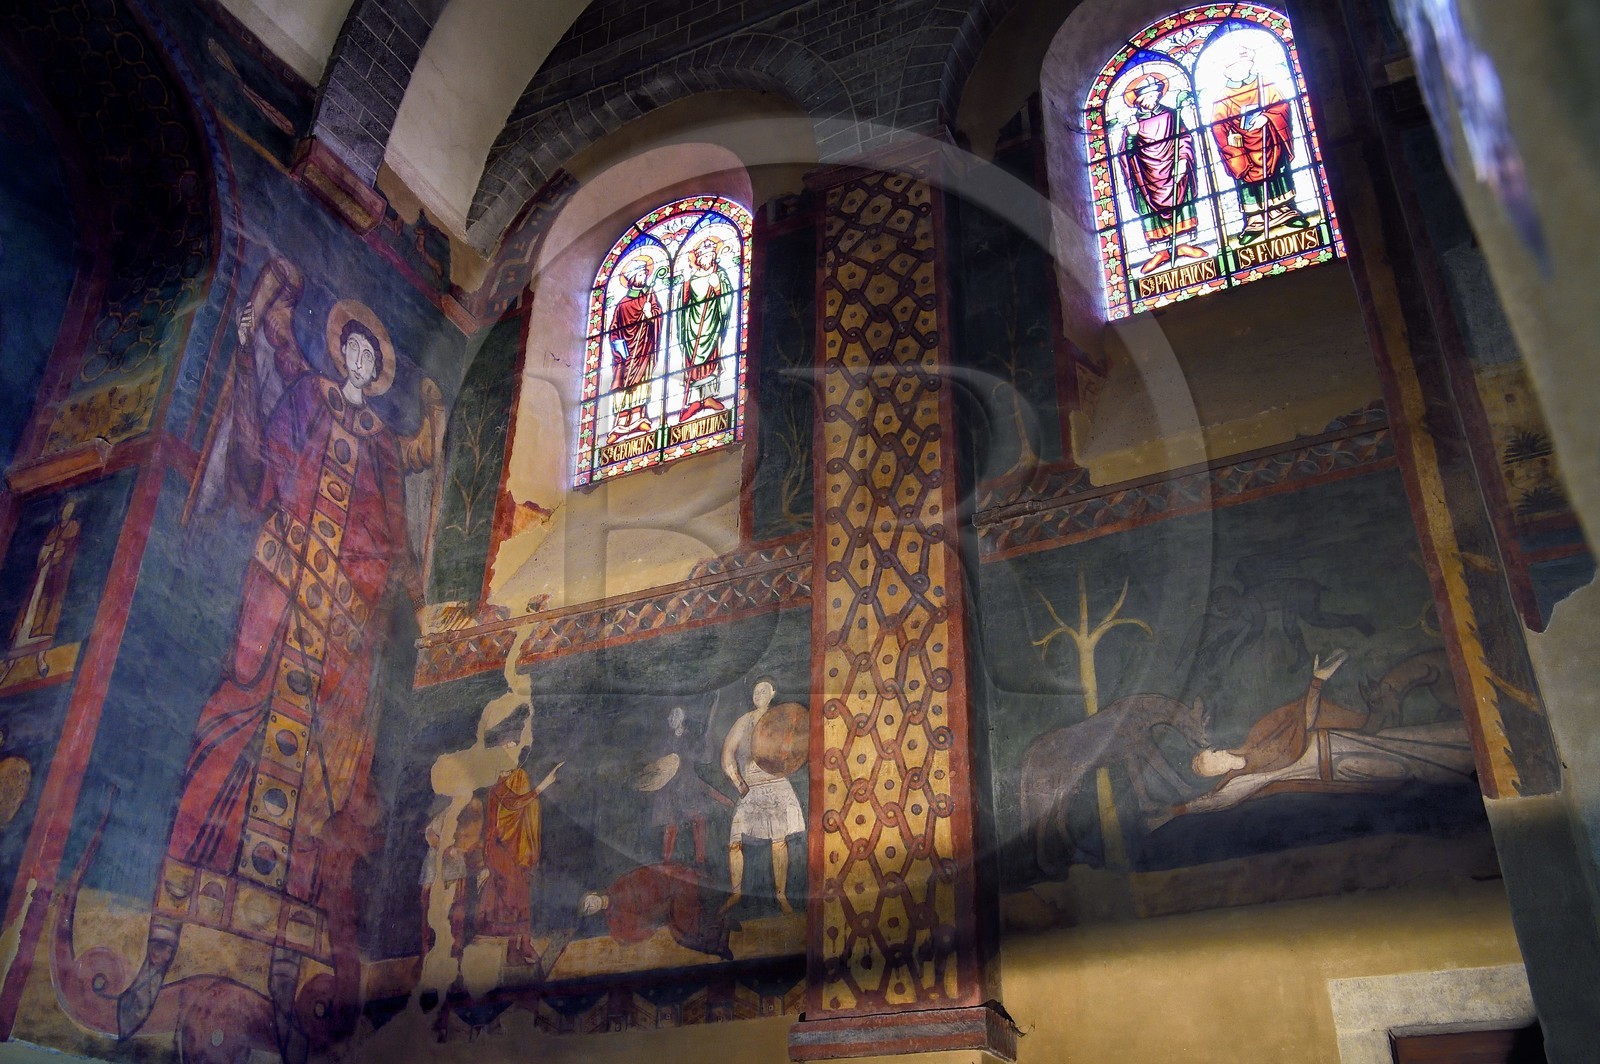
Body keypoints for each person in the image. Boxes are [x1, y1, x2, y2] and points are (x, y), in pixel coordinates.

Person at [118, 257, 442, 1064]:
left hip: (335, 631)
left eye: (373, 358)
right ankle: (164, 947)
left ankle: (289, 946)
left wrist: (360, 585)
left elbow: (389, 545)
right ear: (341, 355)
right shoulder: (307, 395)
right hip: (279, 600)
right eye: (354, 352)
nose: (361, 365)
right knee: (228, 729)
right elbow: (269, 427)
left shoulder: (378, 446)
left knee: (327, 789)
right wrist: (266, 314)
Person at [1166, 650, 1475, 822]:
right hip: (1340, 765)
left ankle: (1467, 741)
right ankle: (1466, 773)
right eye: (1214, 765)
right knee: (1407, 768)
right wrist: (1179, 810)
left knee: (1403, 742)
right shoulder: (1246, 779)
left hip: (1336, 740)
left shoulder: (1258, 736)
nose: (1219, 758)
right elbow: (1218, 801)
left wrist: (1316, 682)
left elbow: (1306, 719)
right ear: (1216, 774)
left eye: (1214, 754)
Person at [1208, 41, 1310, 245]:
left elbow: (1282, 107)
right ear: (1227, 71)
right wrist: (1230, 140)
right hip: (1242, 149)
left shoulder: (1265, 84)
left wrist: (1267, 117)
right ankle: (1254, 220)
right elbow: (1217, 126)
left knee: (1278, 175)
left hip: (1270, 140)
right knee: (1248, 180)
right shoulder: (1222, 97)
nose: (1240, 69)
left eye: (1244, 65)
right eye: (1235, 66)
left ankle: (1286, 211)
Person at [719, 678, 804, 914]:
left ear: (773, 692)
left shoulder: (783, 718)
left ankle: (781, 896)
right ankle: (736, 893)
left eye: (764, 689)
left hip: (777, 785)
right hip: (751, 787)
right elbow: (727, 756)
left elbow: (797, 749)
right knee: (735, 840)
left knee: (779, 842)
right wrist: (739, 784)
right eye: (756, 690)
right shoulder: (744, 722)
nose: (760, 693)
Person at [1118, 71, 1208, 274]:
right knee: (1150, 207)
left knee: (1181, 199)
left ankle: (1183, 245)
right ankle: (1161, 252)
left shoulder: (1171, 115)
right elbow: (1125, 154)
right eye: (1146, 96)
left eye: (1153, 95)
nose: (1151, 99)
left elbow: (1184, 139)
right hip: (1147, 176)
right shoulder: (1132, 125)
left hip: (1173, 169)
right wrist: (1131, 137)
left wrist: (1183, 160)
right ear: (1138, 100)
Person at [477, 758, 561, 966]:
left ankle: (521, 944)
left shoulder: (515, 777)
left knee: (521, 895)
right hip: (499, 848)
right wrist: (543, 786)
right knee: (514, 896)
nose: (521, 781)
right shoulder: (498, 787)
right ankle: (516, 947)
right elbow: (514, 803)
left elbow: (521, 806)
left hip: (516, 848)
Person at [579, 862, 733, 960]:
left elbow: (648, 875)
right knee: (682, 937)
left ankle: (721, 934)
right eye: (589, 909)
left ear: (593, 894)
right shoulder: (613, 919)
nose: (591, 906)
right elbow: (636, 931)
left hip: (668, 892)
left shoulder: (619, 885)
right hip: (664, 909)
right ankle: (719, 943)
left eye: (589, 902)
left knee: (686, 926)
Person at [675, 236, 734, 424]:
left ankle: (708, 398)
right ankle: (694, 401)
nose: (706, 258)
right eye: (703, 256)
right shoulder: (692, 277)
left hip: (711, 323)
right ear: (698, 259)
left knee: (710, 359)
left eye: (709, 255)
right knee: (692, 364)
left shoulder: (721, 274)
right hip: (693, 325)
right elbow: (683, 304)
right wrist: (685, 283)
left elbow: (726, 301)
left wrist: (718, 287)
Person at [606, 256, 663, 444]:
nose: (644, 276)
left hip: (644, 347)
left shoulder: (649, 296)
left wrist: (649, 314)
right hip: (625, 353)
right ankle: (621, 421)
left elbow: (657, 315)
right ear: (632, 278)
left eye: (645, 273)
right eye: (640, 274)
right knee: (622, 383)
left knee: (642, 380)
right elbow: (614, 329)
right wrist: (618, 348)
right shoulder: (622, 303)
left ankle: (638, 417)